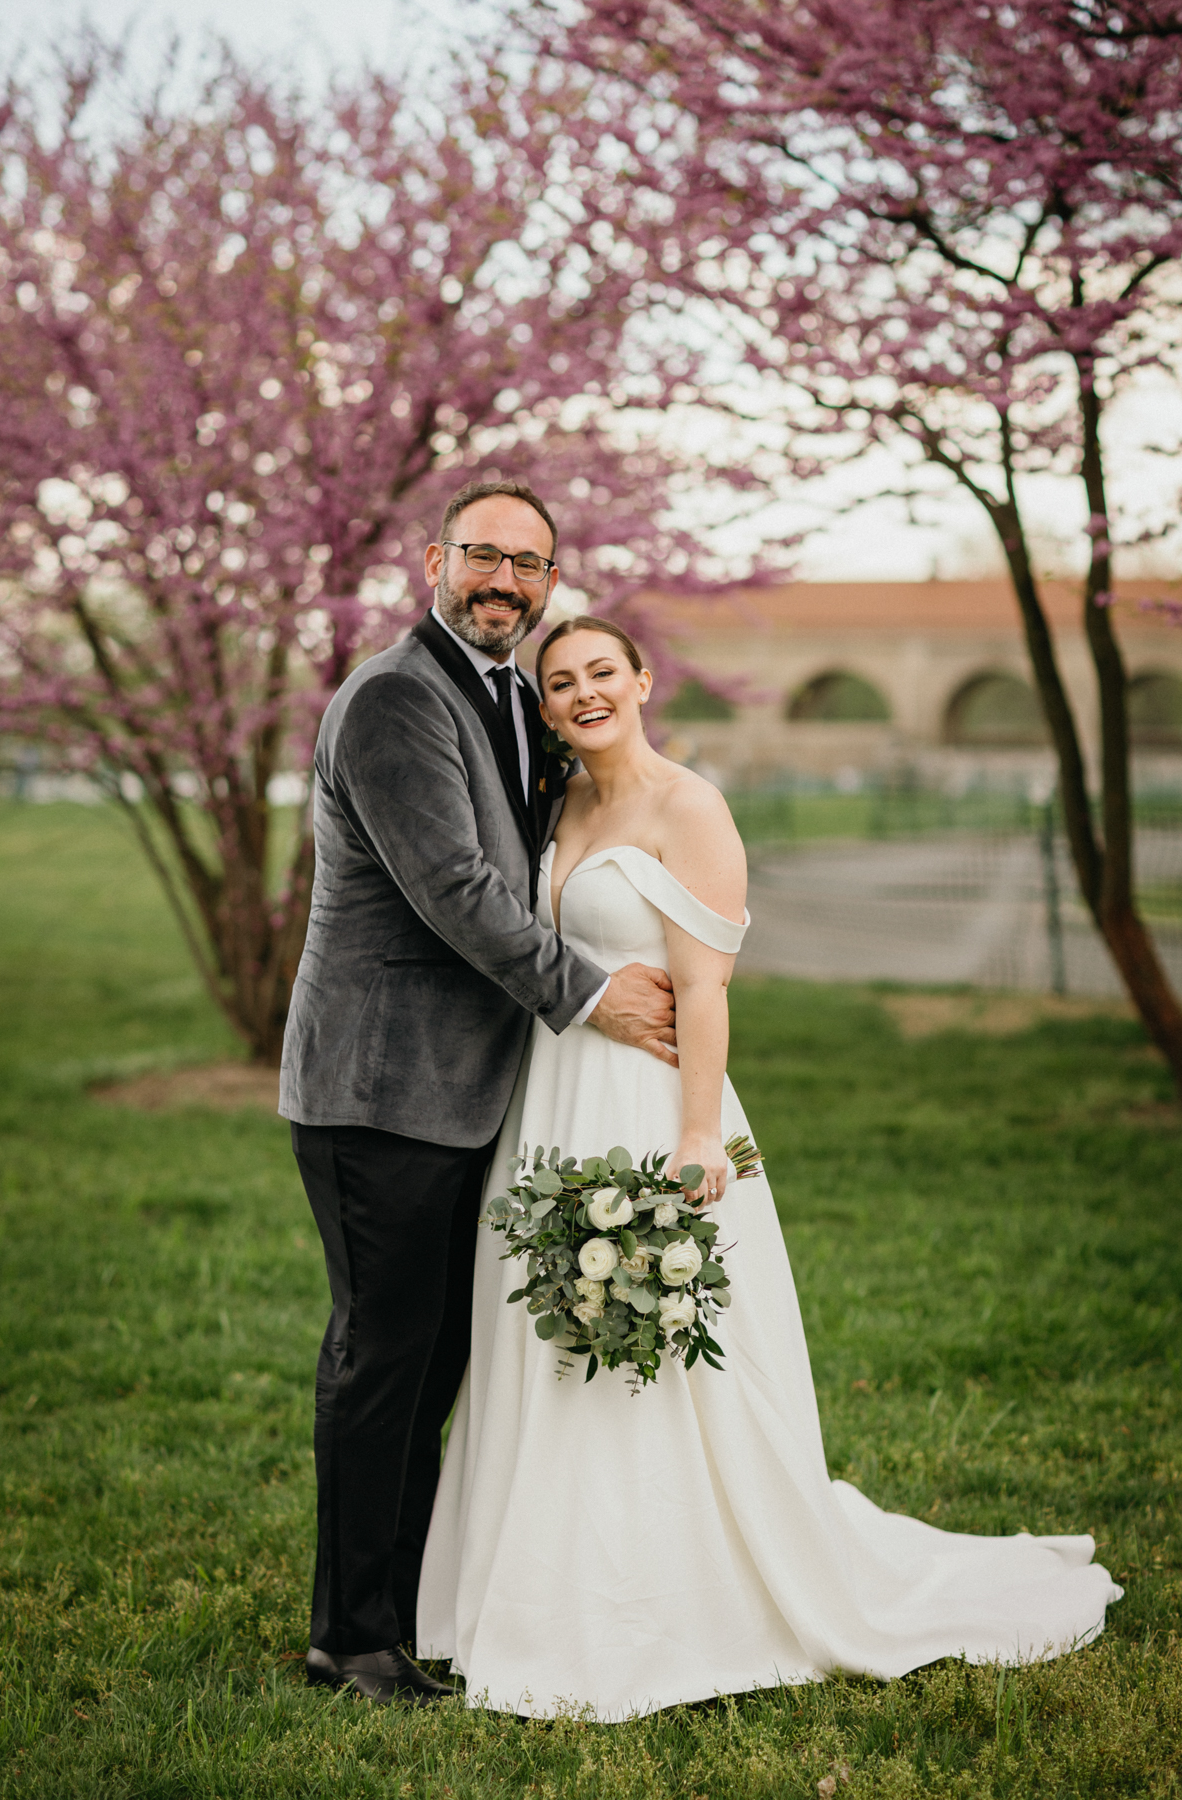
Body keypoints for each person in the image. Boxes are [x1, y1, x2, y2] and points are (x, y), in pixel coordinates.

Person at [417, 614, 1123, 1720]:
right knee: (541, 1335)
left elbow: (704, 988)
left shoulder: (688, 805)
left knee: (664, 1344)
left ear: (643, 681)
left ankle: (670, 1596)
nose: (584, 693)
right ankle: (529, 1590)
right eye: (560, 683)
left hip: (650, 1104)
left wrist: (698, 1137)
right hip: (550, 1103)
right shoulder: (560, 807)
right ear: (544, 707)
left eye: (604, 671)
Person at [279, 482, 677, 1706]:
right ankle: (348, 1639)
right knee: (384, 1355)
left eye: (531, 564)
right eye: (485, 557)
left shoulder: (508, 693)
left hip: (458, 1092)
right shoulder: (399, 696)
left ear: (552, 584)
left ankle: (398, 1613)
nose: (506, 580)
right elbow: (453, 887)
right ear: (433, 559)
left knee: (435, 1353)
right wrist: (591, 993)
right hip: (379, 1086)